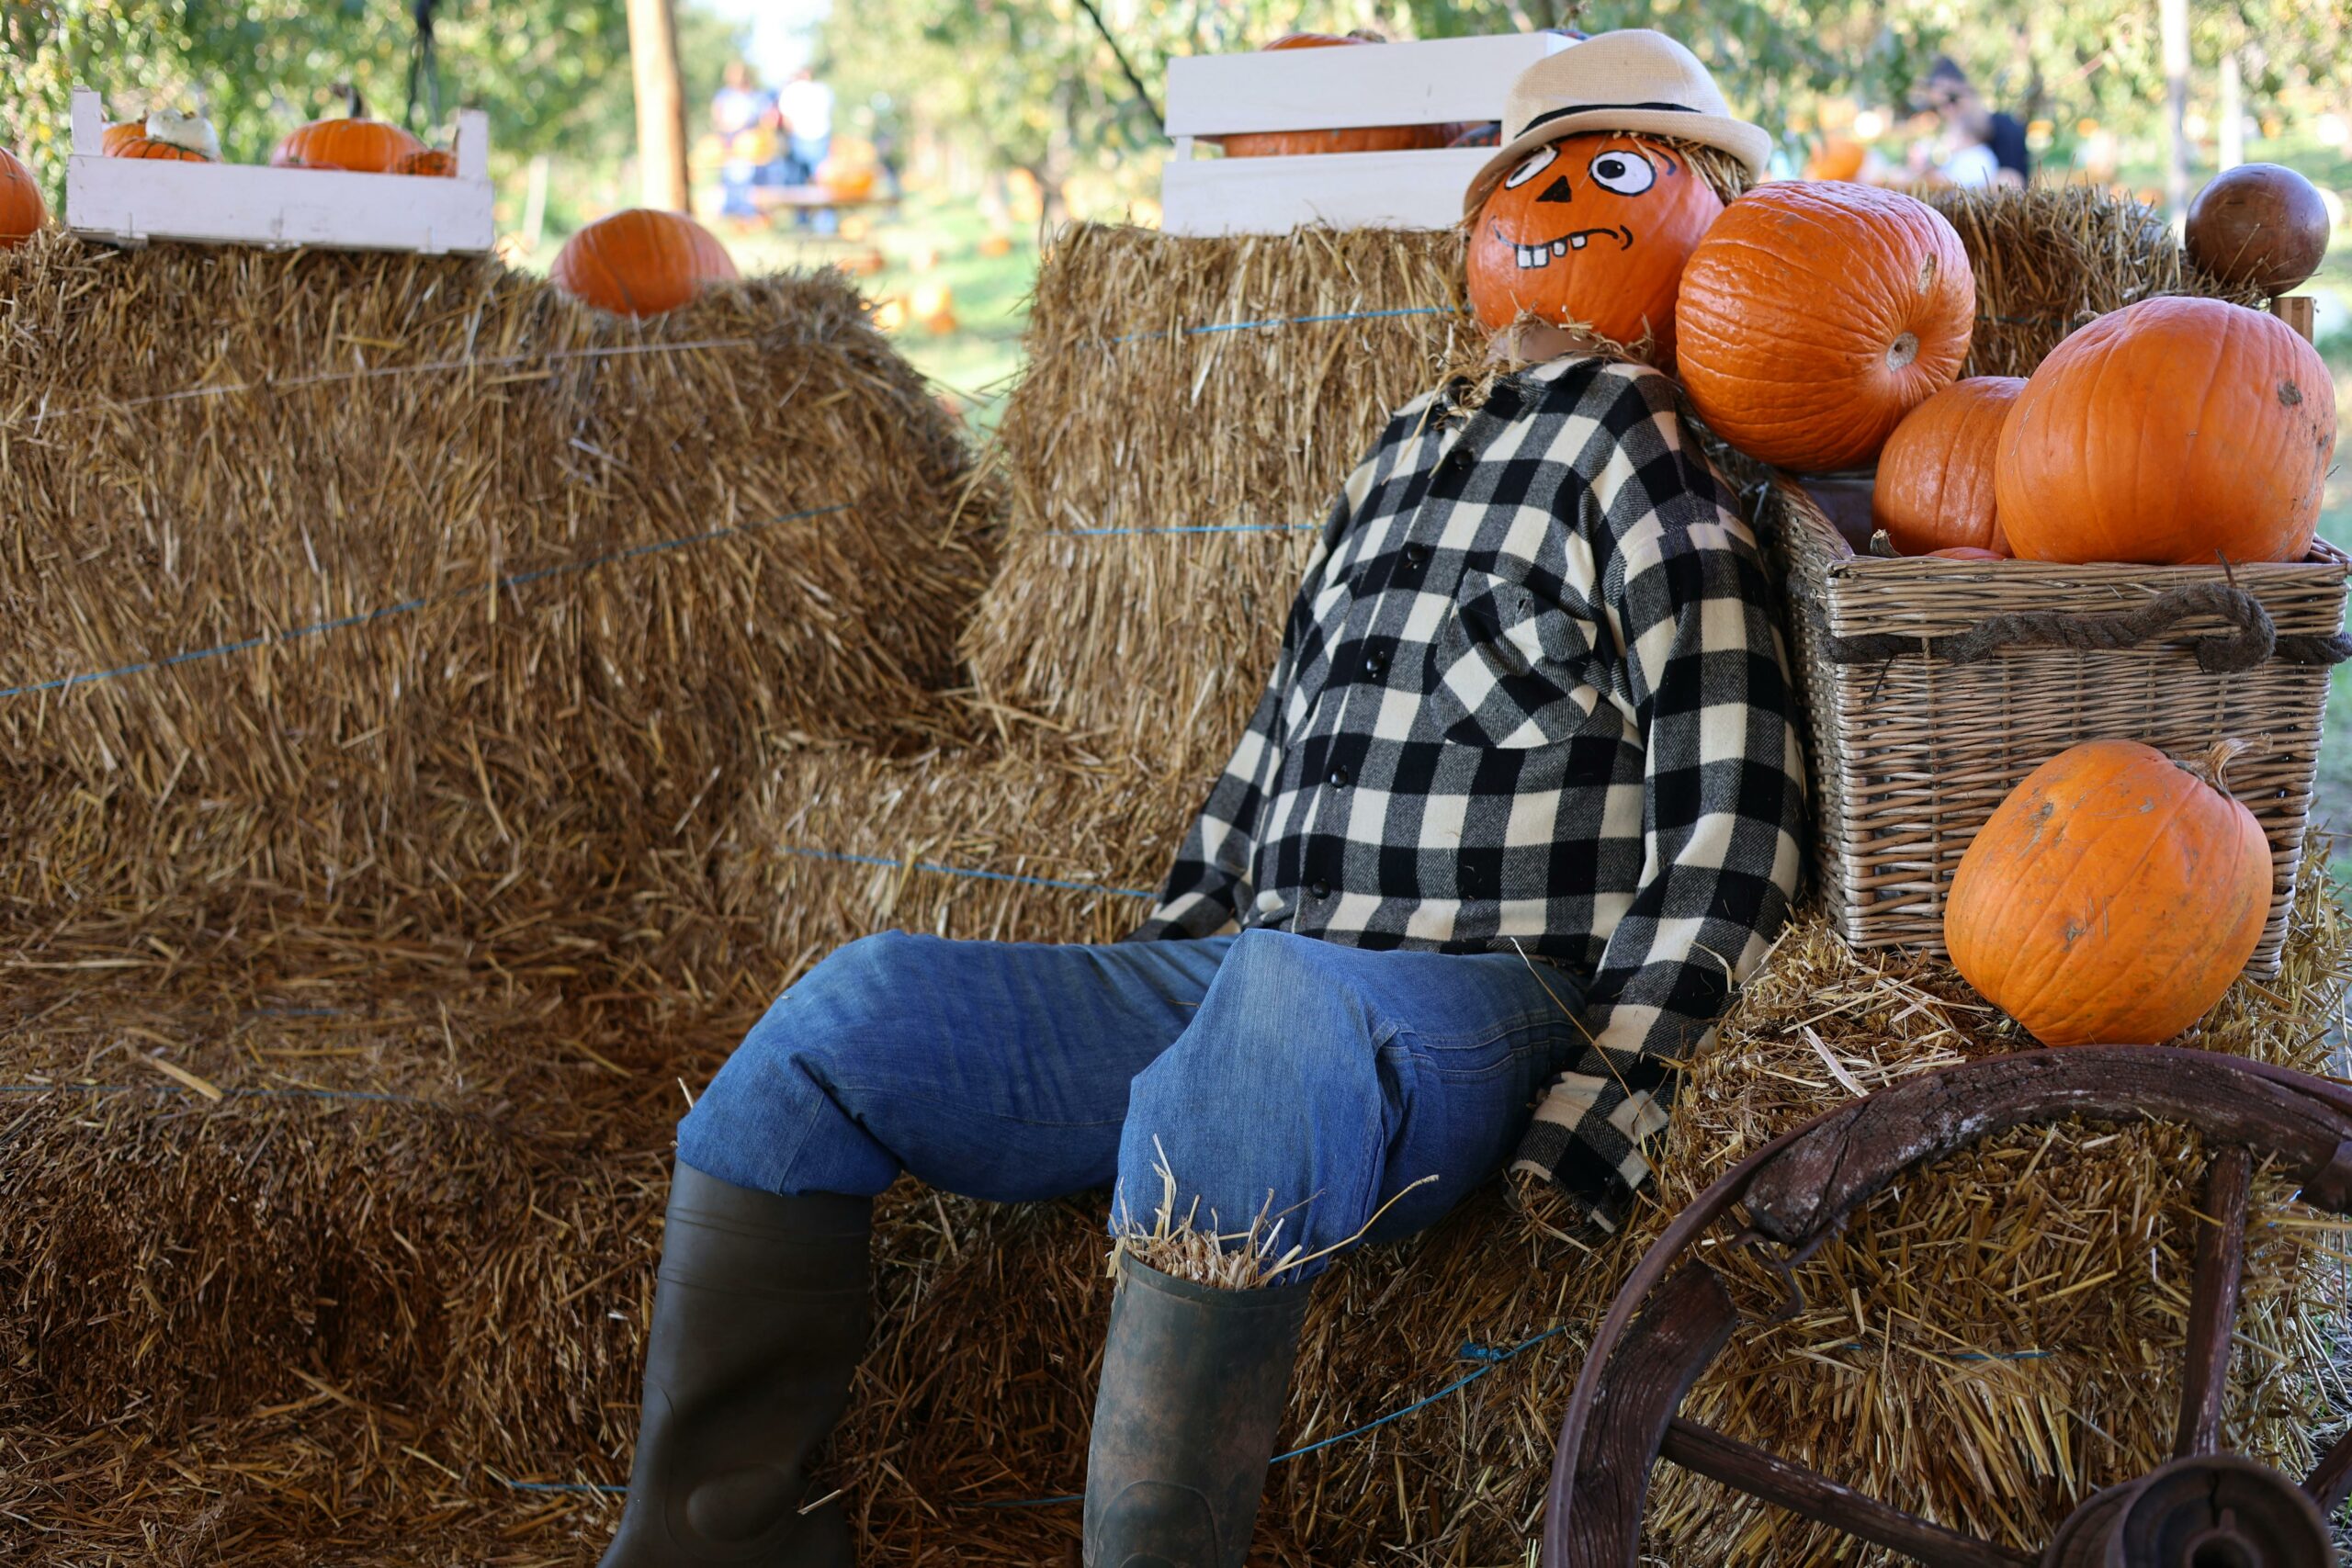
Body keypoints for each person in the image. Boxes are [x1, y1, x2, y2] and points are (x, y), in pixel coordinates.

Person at [594, 29, 1806, 1568]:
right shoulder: (1400, 456)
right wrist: (1157, 983)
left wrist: (1607, 1103)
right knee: (849, 1012)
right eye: (1526, 172)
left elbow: (1736, 819)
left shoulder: (1653, 462)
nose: (1554, 199)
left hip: (1475, 999)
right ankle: (719, 1541)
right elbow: (1273, 748)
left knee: (1282, 1008)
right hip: (1257, 984)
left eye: (1613, 168)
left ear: (1708, 209)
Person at [1926, 56, 2029, 188]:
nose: (1947, 112)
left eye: (1952, 101)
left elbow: (2013, 182)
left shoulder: (2005, 128)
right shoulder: (1951, 139)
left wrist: (1955, 187)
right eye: (1938, 107)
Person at [708, 62, 774, 221]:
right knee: (731, 180)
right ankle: (732, 214)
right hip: (730, 143)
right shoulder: (724, 96)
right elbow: (717, 117)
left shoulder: (755, 96)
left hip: (751, 145)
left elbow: (766, 118)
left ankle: (749, 215)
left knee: (750, 182)